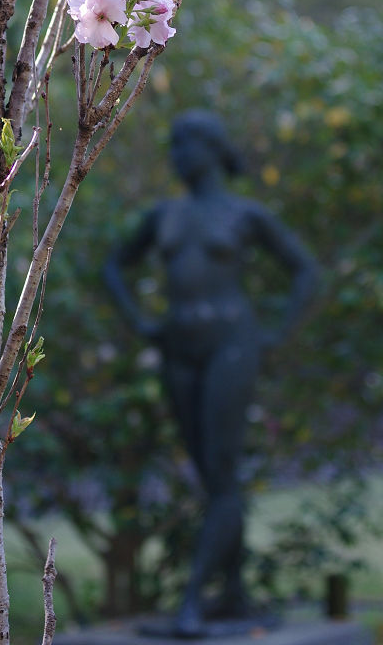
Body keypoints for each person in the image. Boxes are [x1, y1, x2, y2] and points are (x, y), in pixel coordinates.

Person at [104, 110, 318, 639]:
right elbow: (114, 266)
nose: (177, 156)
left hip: (231, 345)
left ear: (213, 148)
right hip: (180, 349)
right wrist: (141, 323)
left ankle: (193, 602)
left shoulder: (245, 215)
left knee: (220, 471)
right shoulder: (165, 216)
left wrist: (275, 334)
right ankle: (236, 597)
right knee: (212, 477)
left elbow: (306, 271)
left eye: (186, 145)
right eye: (172, 146)